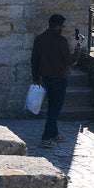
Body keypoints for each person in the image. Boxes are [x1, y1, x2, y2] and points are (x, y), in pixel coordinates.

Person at [31, 13, 74, 147]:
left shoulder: (39, 39)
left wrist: (35, 77)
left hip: (45, 78)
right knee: (55, 108)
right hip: (59, 78)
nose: (63, 28)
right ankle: (46, 137)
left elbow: (34, 60)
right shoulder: (61, 41)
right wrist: (78, 51)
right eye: (62, 25)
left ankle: (54, 134)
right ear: (57, 26)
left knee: (52, 106)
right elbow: (69, 61)